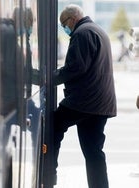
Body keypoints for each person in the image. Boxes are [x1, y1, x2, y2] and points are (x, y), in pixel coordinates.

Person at [51, 4, 117, 188]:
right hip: (101, 103)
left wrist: (49, 78)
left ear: (71, 20)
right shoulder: (98, 30)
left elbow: (76, 68)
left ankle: (49, 177)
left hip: (86, 100)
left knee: (53, 125)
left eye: (63, 24)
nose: (65, 29)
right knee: (93, 151)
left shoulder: (82, 33)